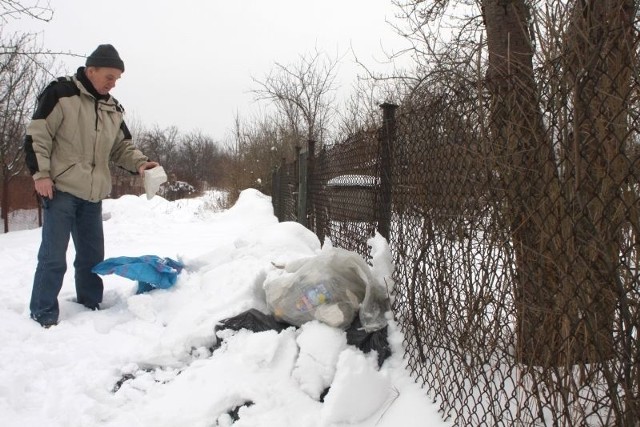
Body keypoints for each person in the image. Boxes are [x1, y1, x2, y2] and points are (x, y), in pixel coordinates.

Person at [23, 44, 160, 328]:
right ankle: (43, 313)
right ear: (91, 70)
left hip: (92, 195)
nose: (113, 83)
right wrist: (41, 174)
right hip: (60, 188)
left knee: (91, 257)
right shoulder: (61, 94)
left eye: (117, 78)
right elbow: (38, 134)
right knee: (53, 257)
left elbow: (121, 146)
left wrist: (141, 163)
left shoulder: (113, 108)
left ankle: (89, 304)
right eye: (109, 76)